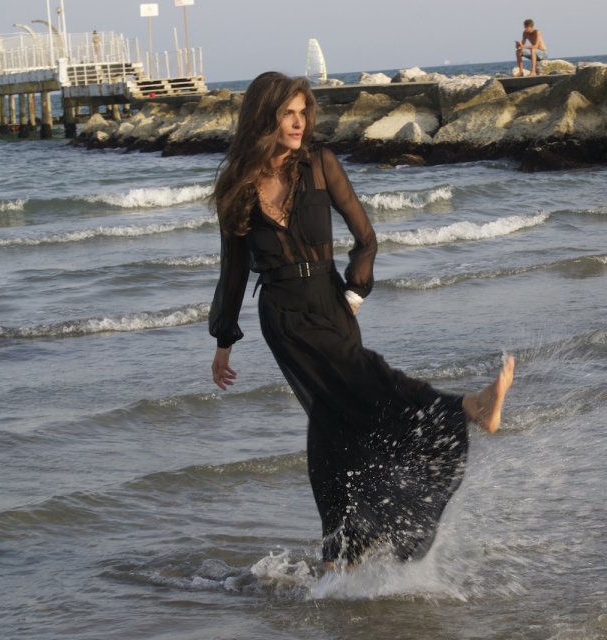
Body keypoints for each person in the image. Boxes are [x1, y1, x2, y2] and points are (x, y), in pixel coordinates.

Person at [209, 72, 515, 567]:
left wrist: (355, 292)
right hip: (284, 315)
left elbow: (366, 238)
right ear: (264, 116)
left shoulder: (321, 164)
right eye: (288, 113)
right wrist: (224, 340)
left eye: (303, 112)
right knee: (359, 376)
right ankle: (464, 407)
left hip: (331, 299)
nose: (298, 122)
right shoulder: (237, 185)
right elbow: (234, 269)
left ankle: (337, 553)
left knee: (332, 422)